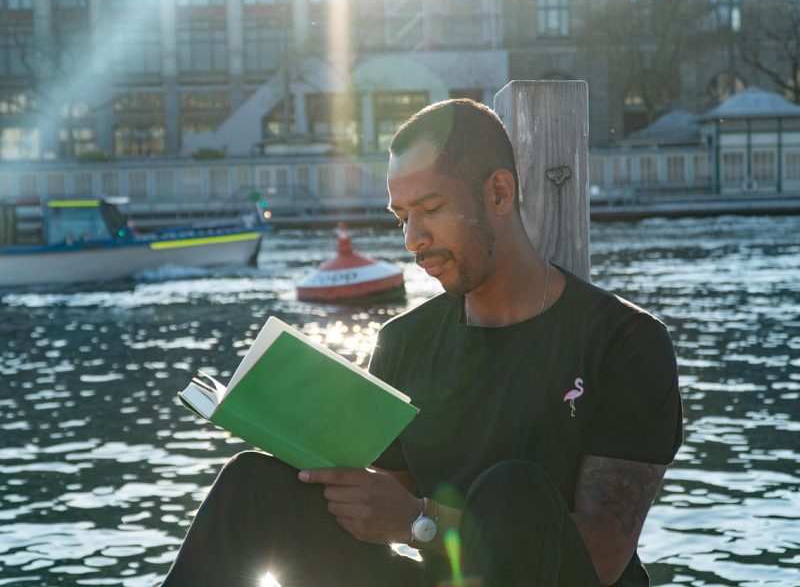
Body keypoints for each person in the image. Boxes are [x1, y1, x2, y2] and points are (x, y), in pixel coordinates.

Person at [161, 99, 682, 587]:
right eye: (402, 217)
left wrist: (418, 520)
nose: (412, 239)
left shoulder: (626, 341)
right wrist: (312, 456)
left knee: (512, 490)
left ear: (499, 194)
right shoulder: (404, 342)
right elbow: (376, 507)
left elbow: (605, 554)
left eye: (430, 208)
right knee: (254, 482)